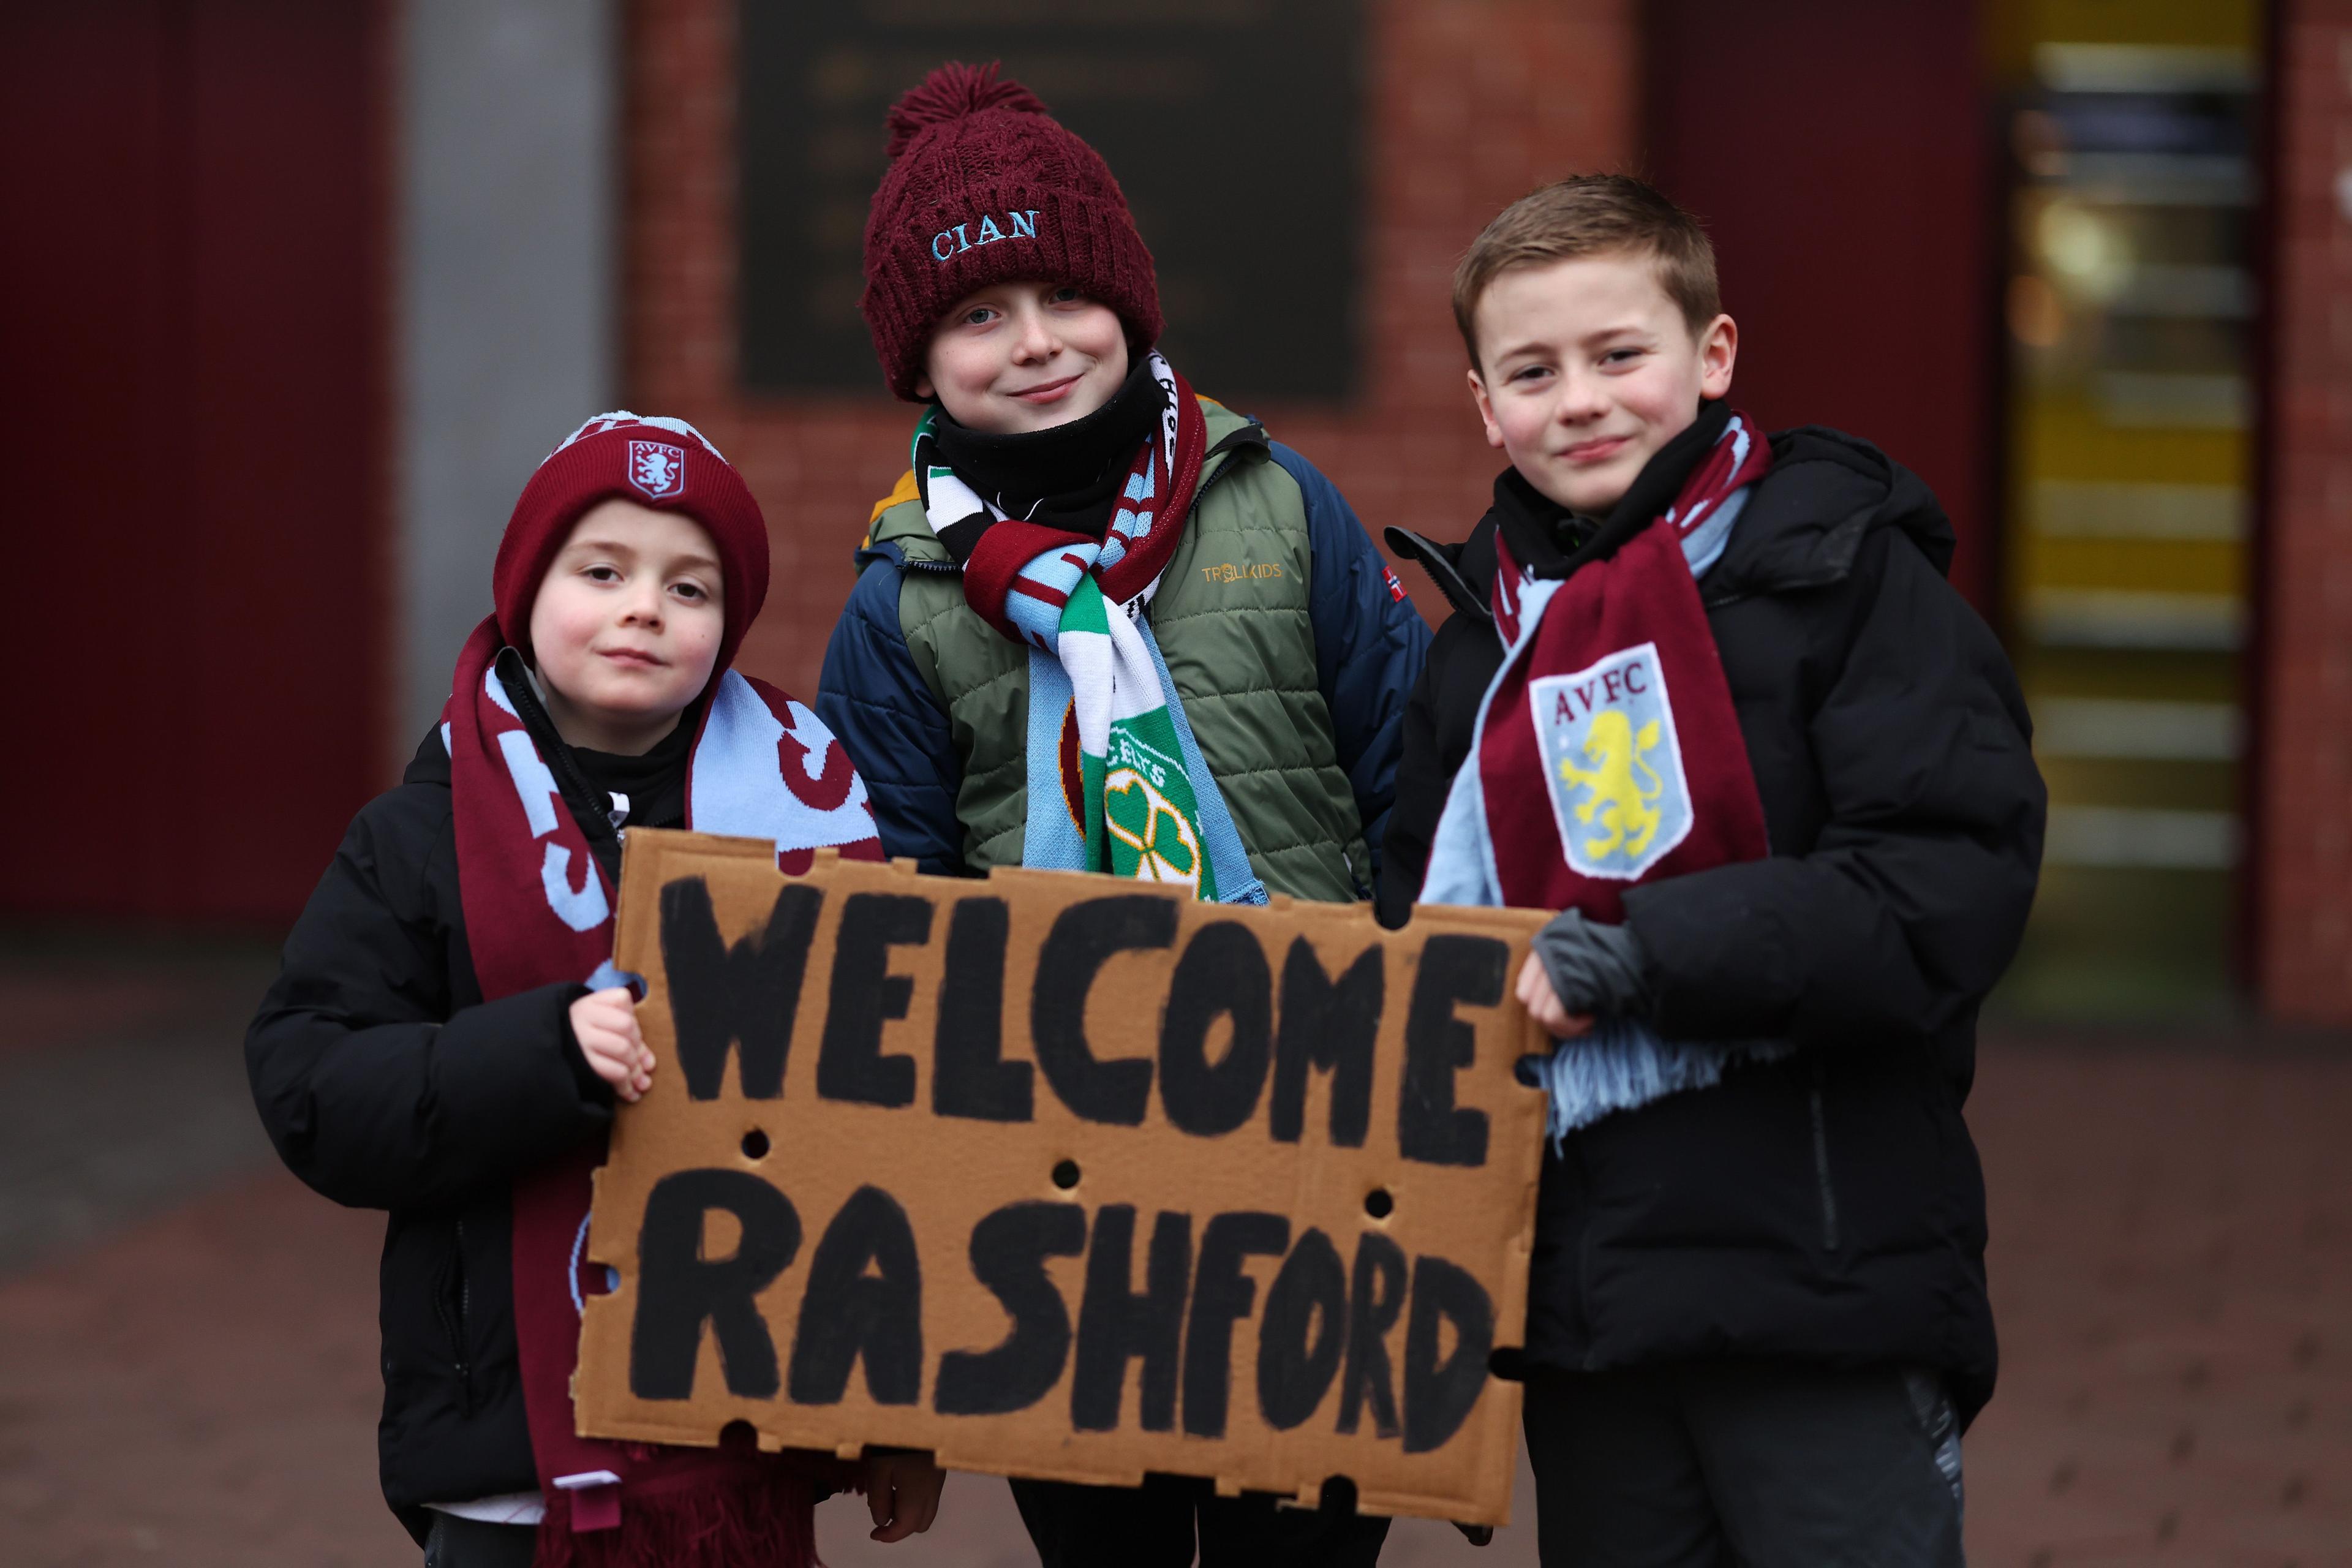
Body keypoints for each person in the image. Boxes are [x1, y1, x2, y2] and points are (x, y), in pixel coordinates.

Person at [1381, 176, 2045, 1566]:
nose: (1582, 401)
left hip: (1821, 1273)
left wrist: (1633, 957)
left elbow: (1940, 885)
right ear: (1485, 405)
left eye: (1620, 354)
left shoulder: (1850, 583)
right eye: (1534, 371)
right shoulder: (1476, 651)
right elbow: (1419, 936)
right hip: (1584, 1304)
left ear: (1713, 354)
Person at [816, 61, 1423, 1568]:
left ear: (1128, 301)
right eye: (975, 315)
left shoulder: (1283, 510)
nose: (1032, 346)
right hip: (1058, 1192)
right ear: (920, 358)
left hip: (1310, 1135)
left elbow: (1412, 781)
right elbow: (893, 907)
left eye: (1061, 297)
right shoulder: (898, 607)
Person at [247, 413, 943, 1567]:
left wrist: (903, 1417)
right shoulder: (421, 836)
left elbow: (896, 1139)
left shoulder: (811, 819)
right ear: (526, 591)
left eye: (690, 587)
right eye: (602, 570)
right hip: (513, 1460)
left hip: (743, 1453)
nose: (644, 608)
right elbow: (311, 1085)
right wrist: (544, 1057)